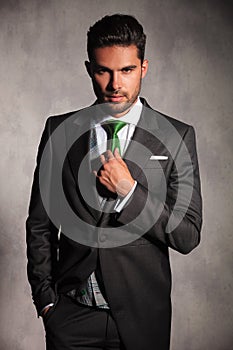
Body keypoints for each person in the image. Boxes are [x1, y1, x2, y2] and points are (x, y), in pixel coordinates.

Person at [26, 14, 202, 350]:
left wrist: (130, 192)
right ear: (89, 68)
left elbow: (187, 234)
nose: (114, 84)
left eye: (126, 70)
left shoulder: (176, 137)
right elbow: (40, 224)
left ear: (143, 68)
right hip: (71, 318)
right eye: (103, 70)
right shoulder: (58, 131)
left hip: (142, 319)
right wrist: (47, 301)